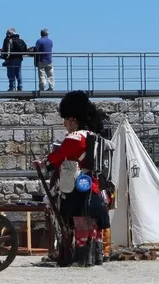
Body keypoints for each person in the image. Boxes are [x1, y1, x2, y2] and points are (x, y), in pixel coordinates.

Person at [40, 91, 113, 266]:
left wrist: (44, 162)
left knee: (80, 221)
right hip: (94, 184)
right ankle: (95, 256)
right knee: (92, 222)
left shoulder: (74, 137)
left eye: (66, 120)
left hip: (77, 184)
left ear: (73, 119)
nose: (65, 124)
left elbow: (59, 155)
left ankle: (82, 258)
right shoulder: (94, 136)